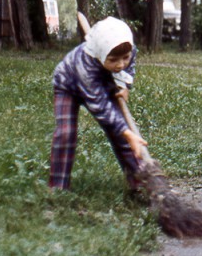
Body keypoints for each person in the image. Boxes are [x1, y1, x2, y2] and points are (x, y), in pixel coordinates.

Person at [49, 16, 147, 191]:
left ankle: (141, 183)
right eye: (113, 60)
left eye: (125, 57)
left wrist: (125, 86)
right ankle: (58, 187)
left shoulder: (127, 48)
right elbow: (100, 106)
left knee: (122, 137)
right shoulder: (85, 65)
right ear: (101, 54)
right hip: (69, 84)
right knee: (65, 134)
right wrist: (128, 133)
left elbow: (129, 65)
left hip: (102, 80)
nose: (120, 64)